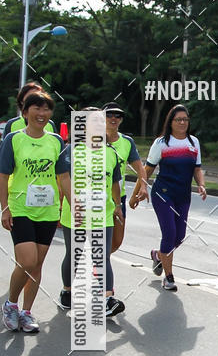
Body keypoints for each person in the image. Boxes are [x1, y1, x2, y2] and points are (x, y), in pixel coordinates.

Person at [0, 91, 69, 333]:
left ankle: (26, 312)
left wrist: (72, 204)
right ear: (26, 112)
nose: (42, 114)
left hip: (48, 210)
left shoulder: (56, 142)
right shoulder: (13, 139)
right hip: (21, 208)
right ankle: (10, 304)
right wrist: (5, 207)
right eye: (36, 108)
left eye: (46, 109)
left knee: (37, 264)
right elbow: (4, 175)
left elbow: (63, 176)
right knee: (27, 260)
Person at [131, 104, 206, 292]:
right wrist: (141, 189)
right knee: (170, 233)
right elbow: (147, 170)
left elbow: (197, 168)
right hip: (163, 194)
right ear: (170, 122)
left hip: (183, 196)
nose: (182, 123)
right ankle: (169, 277)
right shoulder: (161, 143)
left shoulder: (193, 142)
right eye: (178, 119)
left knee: (179, 236)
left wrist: (201, 185)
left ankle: (158, 254)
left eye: (185, 119)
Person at [57, 108, 125, 317]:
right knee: (74, 256)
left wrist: (117, 205)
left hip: (102, 216)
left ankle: (107, 299)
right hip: (75, 216)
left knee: (101, 257)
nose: (99, 125)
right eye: (93, 121)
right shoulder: (71, 151)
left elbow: (114, 181)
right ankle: (67, 292)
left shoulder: (110, 152)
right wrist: (70, 203)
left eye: (100, 121)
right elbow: (62, 177)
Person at [101, 102, 148, 252]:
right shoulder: (93, 140)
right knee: (98, 238)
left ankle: (99, 260)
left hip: (117, 198)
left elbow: (140, 168)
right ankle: (99, 263)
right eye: (109, 115)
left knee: (117, 241)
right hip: (97, 196)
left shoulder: (127, 142)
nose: (113, 118)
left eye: (118, 115)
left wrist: (144, 186)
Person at [1, 82, 58, 147]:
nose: (36, 100)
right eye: (31, 97)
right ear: (22, 101)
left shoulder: (50, 124)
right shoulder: (12, 124)